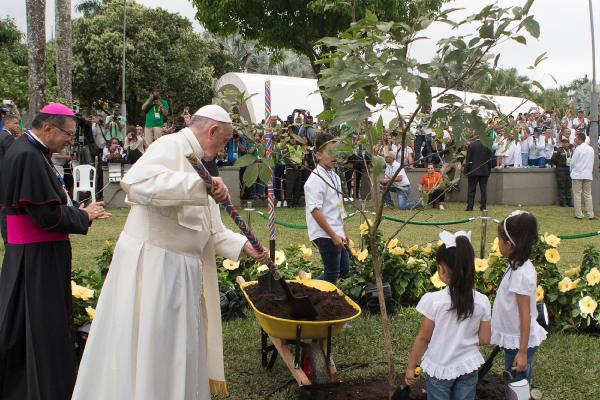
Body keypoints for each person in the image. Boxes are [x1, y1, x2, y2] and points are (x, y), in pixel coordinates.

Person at [72, 104, 267, 400]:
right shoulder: (170, 144)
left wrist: (243, 246)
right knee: (154, 350)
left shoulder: (201, 162)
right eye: (224, 141)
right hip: (156, 270)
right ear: (212, 130)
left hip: (181, 274)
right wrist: (198, 185)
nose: (224, 148)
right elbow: (137, 184)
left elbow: (209, 230)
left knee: (178, 351)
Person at [0, 103, 110, 400]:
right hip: (38, 257)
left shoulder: (28, 150)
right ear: (48, 127)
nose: (69, 141)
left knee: (25, 325)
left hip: (29, 254)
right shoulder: (27, 156)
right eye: (68, 134)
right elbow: (47, 216)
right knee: (43, 327)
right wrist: (84, 215)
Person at [405, 231, 491, 400]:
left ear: (442, 269)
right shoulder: (482, 301)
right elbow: (485, 339)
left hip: (440, 367)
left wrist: (410, 367)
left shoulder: (434, 301)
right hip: (468, 366)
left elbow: (423, 338)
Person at [492, 211, 547, 383]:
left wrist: (522, 352)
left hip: (519, 342)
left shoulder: (521, 274)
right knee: (514, 379)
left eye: (499, 240)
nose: (497, 244)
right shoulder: (517, 265)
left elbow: (525, 315)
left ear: (509, 244)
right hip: (515, 339)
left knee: (517, 383)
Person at [304, 133, 349, 284]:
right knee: (332, 274)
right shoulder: (315, 179)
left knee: (344, 269)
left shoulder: (334, 176)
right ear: (318, 155)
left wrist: (343, 231)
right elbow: (315, 211)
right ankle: (318, 298)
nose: (334, 155)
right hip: (324, 233)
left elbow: (339, 205)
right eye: (330, 152)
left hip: (337, 231)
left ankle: (309, 287)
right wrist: (333, 235)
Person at [569, 131, 595, 219]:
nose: (575, 139)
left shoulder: (578, 149)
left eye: (576, 138)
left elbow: (572, 162)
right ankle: (590, 214)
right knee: (588, 195)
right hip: (587, 174)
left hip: (578, 174)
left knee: (577, 194)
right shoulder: (591, 149)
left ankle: (578, 214)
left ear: (580, 139)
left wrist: (571, 172)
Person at [464, 136, 493, 211]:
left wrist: (466, 171)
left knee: (471, 189)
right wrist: (489, 171)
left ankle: (470, 206)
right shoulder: (487, 144)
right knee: (483, 190)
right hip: (484, 171)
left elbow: (468, 159)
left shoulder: (471, 145)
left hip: (473, 170)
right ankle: (483, 207)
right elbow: (489, 160)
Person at [550, 138, 573, 207]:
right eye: (564, 143)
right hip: (560, 169)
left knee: (568, 186)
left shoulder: (570, 150)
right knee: (562, 186)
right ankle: (562, 202)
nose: (566, 144)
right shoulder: (558, 150)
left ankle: (569, 202)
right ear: (562, 143)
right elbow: (552, 160)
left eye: (567, 142)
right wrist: (559, 164)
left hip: (568, 169)